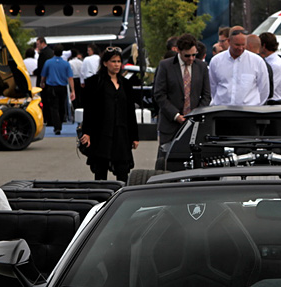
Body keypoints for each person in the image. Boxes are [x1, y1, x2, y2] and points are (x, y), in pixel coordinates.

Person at [79, 47, 139, 181]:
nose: (117, 64)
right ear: (105, 63)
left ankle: (121, 199)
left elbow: (130, 111)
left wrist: (134, 136)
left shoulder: (126, 84)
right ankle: (102, 199)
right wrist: (87, 132)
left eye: (119, 61)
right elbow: (89, 110)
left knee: (123, 171)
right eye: (113, 61)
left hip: (121, 133)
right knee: (101, 170)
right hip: (101, 132)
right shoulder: (95, 83)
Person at [152, 33, 210, 155]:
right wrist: (176, 115)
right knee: (167, 161)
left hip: (194, 125)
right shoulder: (165, 66)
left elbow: (206, 95)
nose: (191, 59)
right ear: (178, 51)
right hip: (170, 125)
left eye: (194, 55)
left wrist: (196, 115)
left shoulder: (202, 67)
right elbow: (159, 94)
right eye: (187, 56)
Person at [208, 29, 270, 106]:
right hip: (222, 111)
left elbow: (264, 89)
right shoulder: (216, 61)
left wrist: (255, 107)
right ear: (229, 41)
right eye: (237, 45)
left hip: (248, 112)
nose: (240, 48)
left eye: (243, 45)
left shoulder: (257, 61)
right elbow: (212, 87)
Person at [40, 45, 75, 135]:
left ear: (53, 52)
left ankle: (57, 127)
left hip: (52, 87)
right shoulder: (66, 64)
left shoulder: (48, 62)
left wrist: (42, 82)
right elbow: (70, 77)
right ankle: (61, 122)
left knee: (53, 107)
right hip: (62, 87)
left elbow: (44, 74)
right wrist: (73, 90)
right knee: (61, 106)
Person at [259, 32, 281, 105]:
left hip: (274, 103)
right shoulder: (271, 61)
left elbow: (268, 88)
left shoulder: (275, 64)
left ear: (263, 45)